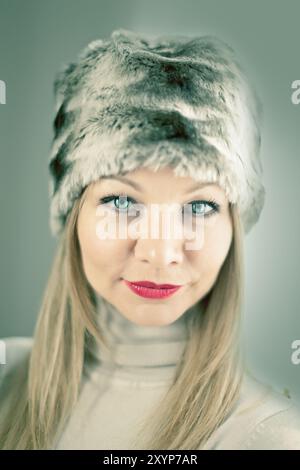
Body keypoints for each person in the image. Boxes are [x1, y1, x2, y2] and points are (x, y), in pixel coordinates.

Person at [1, 28, 300, 450]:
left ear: (234, 227)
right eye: (122, 201)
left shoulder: (271, 439)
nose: (159, 254)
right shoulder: (4, 378)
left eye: (199, 207)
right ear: (74, 215)